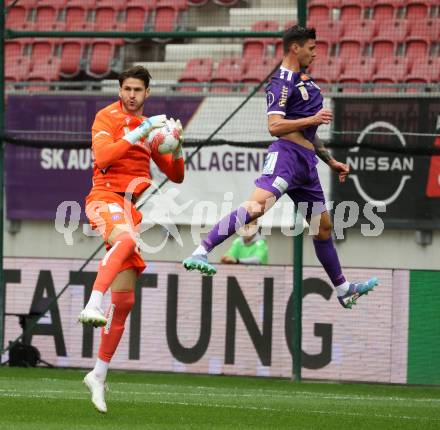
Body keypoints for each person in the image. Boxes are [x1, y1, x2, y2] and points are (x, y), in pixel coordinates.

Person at [183, 25, 378, 307]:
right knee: (255, 208)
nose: (315, 53)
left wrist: (330, 161)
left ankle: (344, 289)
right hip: (286, 157)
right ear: (295, 48)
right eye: (311, 48)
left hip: (306, 165)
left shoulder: (306, 81)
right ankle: (202, 250)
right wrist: (311, 121)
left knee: (322, 227)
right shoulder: (281, 82)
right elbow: (275, 126)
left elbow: (309, 133)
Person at [78, 66, 184, 413]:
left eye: (138, 89)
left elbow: (176, 175)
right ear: (120, 90)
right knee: (125, 242)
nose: (132, 95)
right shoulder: (106, 118)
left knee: (124, 303)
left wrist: (178, 146)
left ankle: (98, 374)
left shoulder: (151, 127)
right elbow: (103, 157)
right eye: (127, 89)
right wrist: (139, 131)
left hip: (129, 208)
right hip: (104, 199)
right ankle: (94, 301)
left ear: (147, 92)